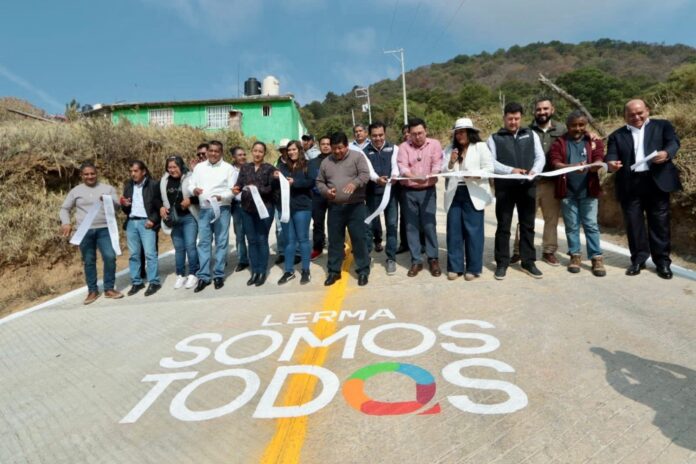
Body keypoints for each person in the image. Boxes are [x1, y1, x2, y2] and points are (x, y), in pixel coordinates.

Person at [606, 99, 682, 279]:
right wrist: (611, 164)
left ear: (647, 110)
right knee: (634, 224)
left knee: (660, 223)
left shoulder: (662, 126)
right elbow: (611, 156)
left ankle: (662, 262)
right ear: (625, 116)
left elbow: (673, 142)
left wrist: (666, 153)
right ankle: (638, 260)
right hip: (630, 184)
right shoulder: (617, 135)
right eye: (631, 114)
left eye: (640, 113)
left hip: (656, 182)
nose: (636, 117)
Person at [487, 102, 546, 280]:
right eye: (510, 119)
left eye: (517, 118)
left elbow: (540, 157)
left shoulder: (531, 134)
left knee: (528, 225)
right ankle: (502, 263)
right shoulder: (494, 138)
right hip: (505, 188)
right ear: (504, 118)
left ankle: (528, 262)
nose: (513, 122)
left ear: (521, 118)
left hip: (527, 187)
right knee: (503, 226)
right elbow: (491, 162)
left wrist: (535, 171)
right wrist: (511, 170)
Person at [549, 111, 606, 277]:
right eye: (574, 125)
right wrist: (572, 167)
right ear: (567, 126)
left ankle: (596, 258)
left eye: (581, 125)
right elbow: (555, 162)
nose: (578, 128)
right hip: (567, 191)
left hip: (589, 190)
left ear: (586, 125)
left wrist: (594, 166)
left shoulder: (593, 141)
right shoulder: (559, 142)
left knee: (591, 225)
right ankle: (575, 255)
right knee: (572, 226)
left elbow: (599, 157)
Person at [511, 98, 566, 266]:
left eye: (545, 109)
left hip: (551, 183)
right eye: (539, 109)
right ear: (534, 112)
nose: (542, 112)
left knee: (551, 219)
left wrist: (591, 135)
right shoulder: (525, 130)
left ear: (552, 110)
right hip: (530, 183)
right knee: (525, 218)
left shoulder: (562, 130)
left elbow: (578, 137)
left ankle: (548, 251)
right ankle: (519, 250)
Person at [60, 162, 123, 304]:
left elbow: (117, 207)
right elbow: (64, 209)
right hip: (84, 231)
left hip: (105, 229)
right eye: (86, 174)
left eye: (92, 173)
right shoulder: (75, 191)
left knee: (110, 257)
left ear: (96, 173)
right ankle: (92, 291)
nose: (90, 176)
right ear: (81, 175)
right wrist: (66, 223)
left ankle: (109, 289)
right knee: (89, 260)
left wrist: (108, 200)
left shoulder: (107, 188)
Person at [316, 132, 371, 286]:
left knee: (359, 239)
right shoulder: (326, 162)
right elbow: (319, 182)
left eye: (340, 148)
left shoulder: (357, 157)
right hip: (335, 208)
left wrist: (355, 183)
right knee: (334, 241)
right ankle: (334, 271)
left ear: (347, 145)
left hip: (355, 207)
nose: (337, 151)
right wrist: (326, 191)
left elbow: (365, 175)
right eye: (334, 148)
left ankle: (363, 270)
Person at [442, 118, 494, 281]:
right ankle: (455, 267)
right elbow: (443, 171)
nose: (459, 135)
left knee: (474, 232)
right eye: (457, 133)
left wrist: (474, 175)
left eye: (463, 132)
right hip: (454, 193)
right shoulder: (450, 149)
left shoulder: (480, 147)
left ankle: (473, 268)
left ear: (470, 133)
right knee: (454, 231)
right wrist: (451, 162)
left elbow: (489, 169)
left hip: (474, 193)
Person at [397, 117, 443, 278]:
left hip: (428, 191)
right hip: (408, 191)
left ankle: (433, 258)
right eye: (414, 134)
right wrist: (414, 177)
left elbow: (437, 164)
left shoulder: (435, 144)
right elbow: (402, 167)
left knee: (429, 225)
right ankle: (416, 260)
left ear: (426, 131)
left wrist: (433, 174)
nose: (417, 137)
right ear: (409, 134)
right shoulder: (403, 147)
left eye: (420, 133)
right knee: (411, 227)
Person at [187, 140, 234, 292]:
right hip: (204, 209)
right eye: (211, 151)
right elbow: (191, 184)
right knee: (204, 243)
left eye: (216, 151)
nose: (213, 153)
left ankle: (219, 274)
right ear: (207, 152)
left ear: (221, 152)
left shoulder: (228, 168)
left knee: (221, 242)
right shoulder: (199, 167)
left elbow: (233, 190)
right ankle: (204, 276)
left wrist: (222, 196)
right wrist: (194, 190)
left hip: (222, 208)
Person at [233, 141, 277, 286]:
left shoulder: (270, 169)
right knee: (251, 240)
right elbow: (239, 184)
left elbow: (271, 189)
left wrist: (256, 188)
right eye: (255, 151)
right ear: (251, 151)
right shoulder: (245, 168)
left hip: (265, 209)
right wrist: (236, 189)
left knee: (262, 239)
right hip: (247, 209)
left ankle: (262, 271)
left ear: (264, 153)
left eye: (260, 151)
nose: (257, 154)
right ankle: (255, 271)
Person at [121, 160, 162, 296]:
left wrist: (153, 220)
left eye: (136, 171)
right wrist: (125, 205)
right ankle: (137, 282)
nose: (133, 174)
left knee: (150, 254)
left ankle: (154, 282)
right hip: (132, 222)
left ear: (143, 171)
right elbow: (125, 209)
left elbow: (159, 205)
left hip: (146, 223)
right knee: (134, 255)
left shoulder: (153, 185)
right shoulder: (128, 186)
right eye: (131, 171)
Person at [363, 121, 399, 274]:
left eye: (380, 135)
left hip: (391, 194)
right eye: (374, 135)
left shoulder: (394, 148)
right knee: (368, 226)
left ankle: (391, 258)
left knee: (392, 225)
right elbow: (368, 171)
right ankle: (366, 258)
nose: (378, 138)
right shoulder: (364, 151)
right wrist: (376, 179)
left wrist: (394, 176)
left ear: (385, 134)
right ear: (369, 136)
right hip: (372, 194)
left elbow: (396, 165)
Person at [276, 140, 314, 284]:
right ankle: (289, 271)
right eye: (289, 150)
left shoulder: (308, 165)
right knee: (289, 241)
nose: (291, 152)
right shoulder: (282, 167)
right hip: (285, 208)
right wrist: (275, 178)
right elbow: (276, 185)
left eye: (294, 149)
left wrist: (295, 183)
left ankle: (305, 270)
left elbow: (311, 182)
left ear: (299, 150)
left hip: (302, 207)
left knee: (303, 239)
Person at [159, 155, 199, 289]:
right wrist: (161, 207)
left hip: (188, 218)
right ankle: (180, 274)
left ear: (181, 166)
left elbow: (200, 195)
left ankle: (193, 273)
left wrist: (191, 200)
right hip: (173, 219)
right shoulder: (164, 180)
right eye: (169, 167)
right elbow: (158, 198)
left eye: (175, 167)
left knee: (190, 246)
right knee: (179, 249)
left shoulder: (190, 177)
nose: (172, 170)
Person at [309, 135, 332, 260]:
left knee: (335, 223)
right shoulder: (313, 162)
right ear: (319, 145)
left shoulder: (337, 160)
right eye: (323, 144)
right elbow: (312, 179)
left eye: (328, 144)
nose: (326, 146)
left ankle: (336, 247)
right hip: (318, 197)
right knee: (318, 224)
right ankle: (318, 248)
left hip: (333, 196)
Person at [229, 146, 250, 272]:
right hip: (237, 206)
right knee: (240, 234)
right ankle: (242, 260)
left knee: (253, 233)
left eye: (244, 154)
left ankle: (255, 257)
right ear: (234, 157)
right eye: (239, 155)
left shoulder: (250, 168)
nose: (242, 157)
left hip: (251, 205)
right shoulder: (229, 171)